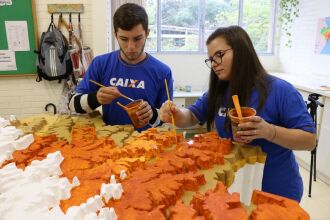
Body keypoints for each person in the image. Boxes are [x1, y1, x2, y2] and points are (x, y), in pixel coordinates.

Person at [160, 26, 316, 202]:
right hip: (236, 188)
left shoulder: (281, 90)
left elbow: (309, 140)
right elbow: (190, 116)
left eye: (219, 55)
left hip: (276, 191)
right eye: (210, 59)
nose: (214, 64)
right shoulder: (218, 92)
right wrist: (174, 112)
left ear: (242, 50)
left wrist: (269, 131)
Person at [69, 3, 173, 130]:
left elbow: (168, 123)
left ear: (147, 33)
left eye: (137, 38)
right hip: (109, 142)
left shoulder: (162, 72)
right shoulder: (100, 64)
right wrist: (95, 98)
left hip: (145, 145)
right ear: (115, 35)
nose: (131, 47)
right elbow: (72, 105)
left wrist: (152, 114)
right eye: (124, 39)